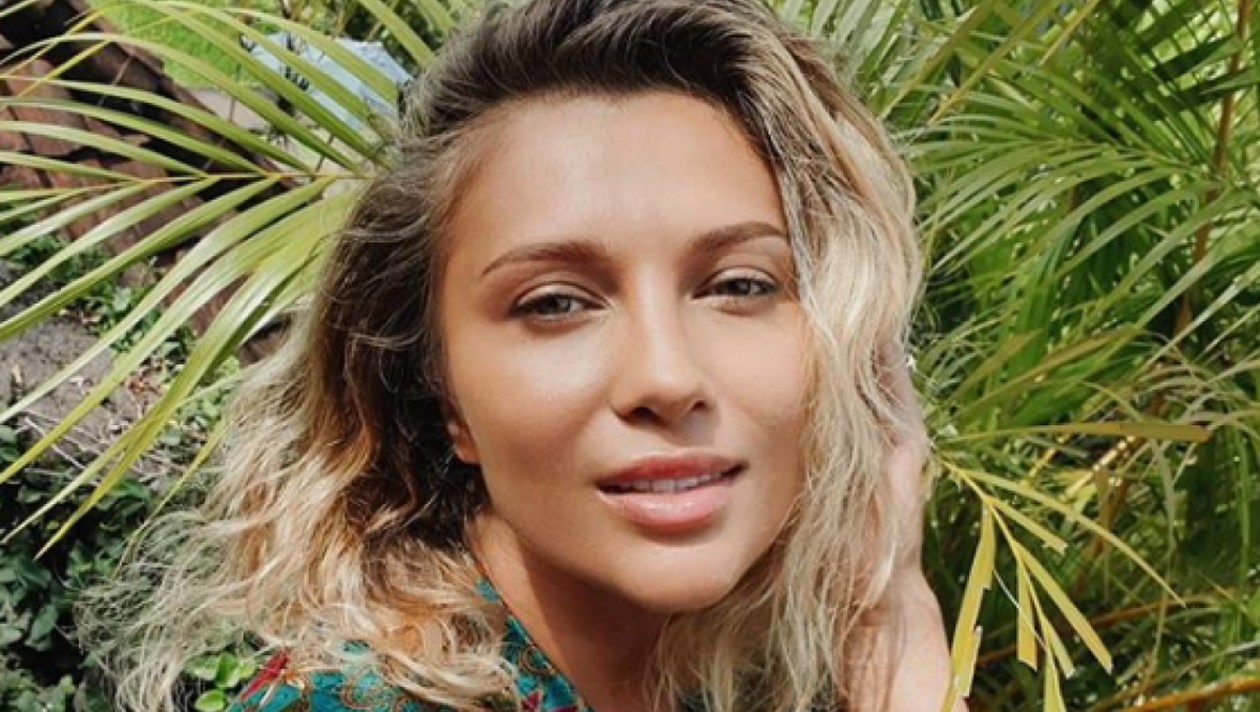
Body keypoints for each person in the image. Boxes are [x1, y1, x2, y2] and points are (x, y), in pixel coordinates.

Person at [86, 1, 967, 710]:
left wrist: (885, 604)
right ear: (442, 395)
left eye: (738, 285)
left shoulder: (685, 679)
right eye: (555, 303)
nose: (666, 377)